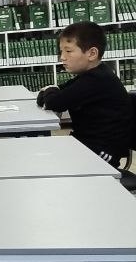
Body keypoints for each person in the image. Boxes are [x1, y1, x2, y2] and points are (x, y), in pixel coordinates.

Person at [37, 22, 134, 163]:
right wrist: (50, 92)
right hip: (86, 143)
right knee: (43, 156)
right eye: (61, 51)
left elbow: (54, 102)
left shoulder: (98, 79)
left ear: (92, 53)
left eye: (68, 51)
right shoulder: (89, 76)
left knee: (45, 160)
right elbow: (52, 96)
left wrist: (49, 90)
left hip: (101, 153)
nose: (62, 57)